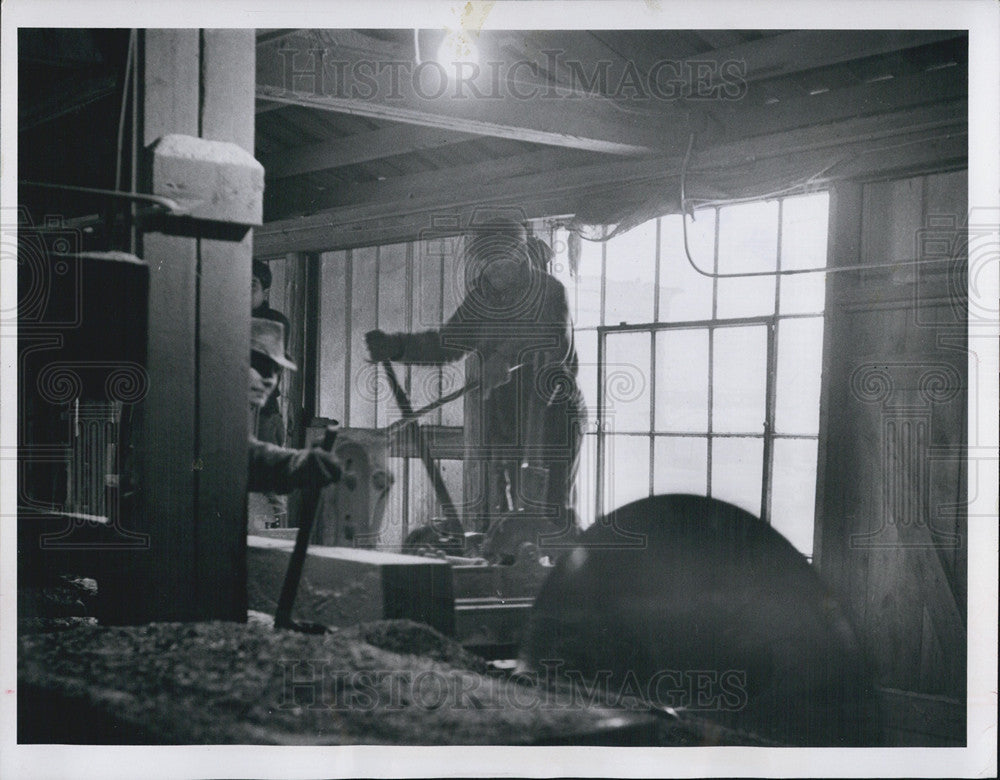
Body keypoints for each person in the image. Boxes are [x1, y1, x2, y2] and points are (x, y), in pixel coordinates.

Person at [365, 219, 585, 551]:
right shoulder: (481, 299)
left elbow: (554, 342)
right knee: (511, 515)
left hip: (553, 412)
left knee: (552, 513)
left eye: (501, 259)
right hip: (509, 414)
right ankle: (512, 585)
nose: (493, 268)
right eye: (486, 260)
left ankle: (568, 585)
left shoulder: (550, 291)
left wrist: (503, 356)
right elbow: (445, 344)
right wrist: (396, 346)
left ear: (519, 252)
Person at [247, 318, 342, 510]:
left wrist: (300, 464)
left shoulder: (244, 411)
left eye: (276, 371)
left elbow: (247, 456)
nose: (270, 381)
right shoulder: (202, 408)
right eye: (262, 367)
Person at [251, 261, 293, 525]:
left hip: (264, 417)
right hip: (229, 415)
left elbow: (263, 365)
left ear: (265, 291)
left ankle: (279, 536)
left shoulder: (275, 321)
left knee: (270, 484)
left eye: (252, 285)